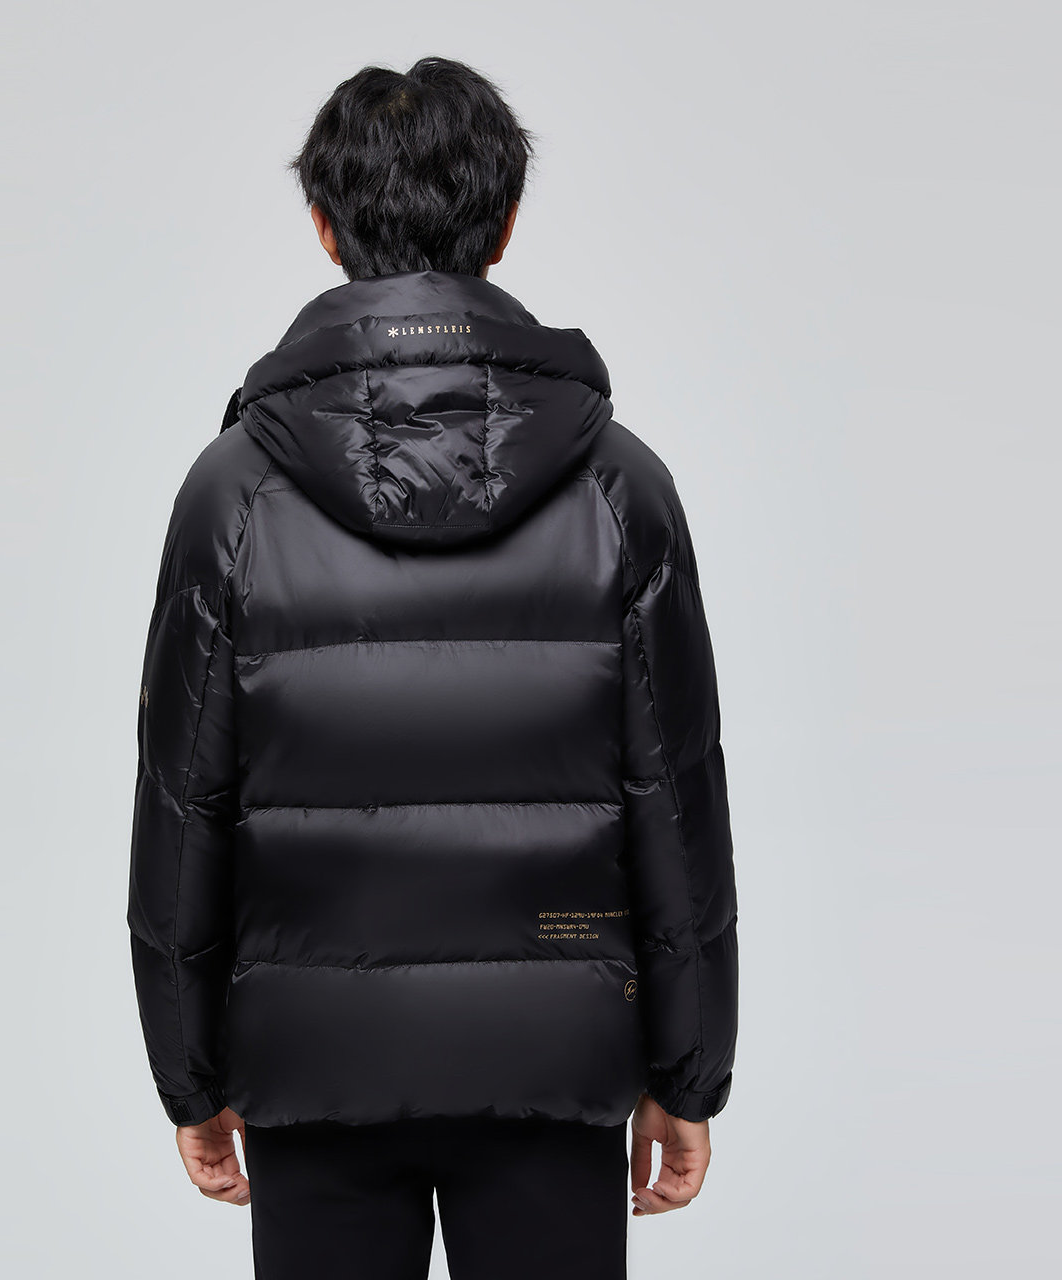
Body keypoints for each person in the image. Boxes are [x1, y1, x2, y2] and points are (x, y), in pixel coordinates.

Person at [127, 55, 739, 1280]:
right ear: (502, 226)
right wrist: (685, 1072)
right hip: (555, 1059)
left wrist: (187, 1071)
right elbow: (674, 802)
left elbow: (183, 804)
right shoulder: (620, 485)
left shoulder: (230, 493)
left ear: (323, 225)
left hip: (313, 1064)